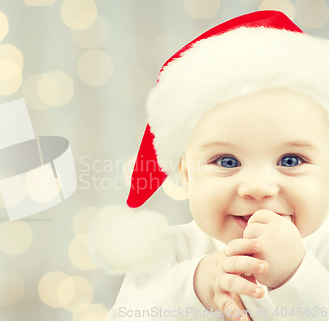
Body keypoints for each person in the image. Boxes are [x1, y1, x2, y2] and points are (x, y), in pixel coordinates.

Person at [88, 10, 329, 321]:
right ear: (187, 174)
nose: (257, 187)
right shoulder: (169, 253)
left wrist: (294, 276)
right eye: (227, 161)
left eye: (291, 160)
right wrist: (198, 286)